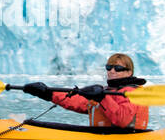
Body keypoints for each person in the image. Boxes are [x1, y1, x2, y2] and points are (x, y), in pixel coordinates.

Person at [20, 53, 150, 129]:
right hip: (102, 137)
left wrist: (102, 97)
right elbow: (77, 101)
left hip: (125, 138)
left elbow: (122, 120)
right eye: (109, 67)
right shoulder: (106, 91)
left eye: (118, 68)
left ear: (129, 72)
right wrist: (47, 93)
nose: (112, 71)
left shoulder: (134, 93)